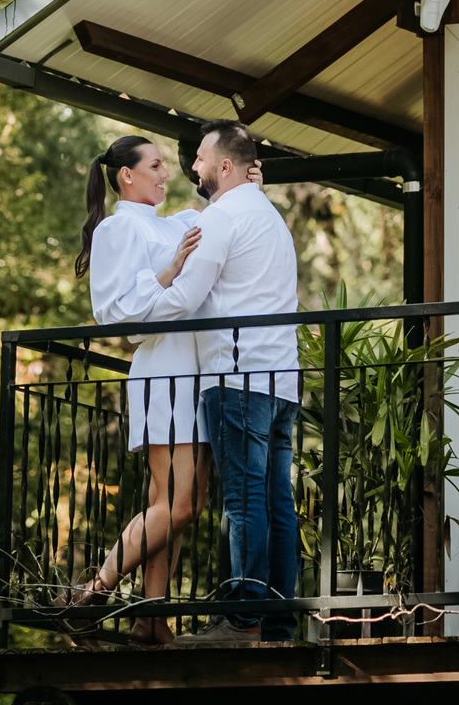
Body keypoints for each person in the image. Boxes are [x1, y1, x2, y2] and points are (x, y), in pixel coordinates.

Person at [137, 120, 300, 645]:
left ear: (225, 166)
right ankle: (276, 624)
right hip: (281, 380)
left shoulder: (223, 217)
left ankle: (243, 620)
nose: (194, 168)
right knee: (276, 502)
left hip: (237, 376)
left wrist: (138, 317)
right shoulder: (272, 218)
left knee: (244, 501)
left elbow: (186, 297)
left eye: (202, 160)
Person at [70, 135, 209, 644]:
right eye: (155, 165)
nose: (165, 174)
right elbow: (115, 315)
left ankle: (152, 619)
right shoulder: (118, 228)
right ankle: (93, 590)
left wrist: (247, 188)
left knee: (173, 506)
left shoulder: (171, 224)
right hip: (163, 372)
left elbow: (221, 221)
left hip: (194, 374)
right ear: (126, 175)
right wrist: (170, 271)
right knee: (180, 504)